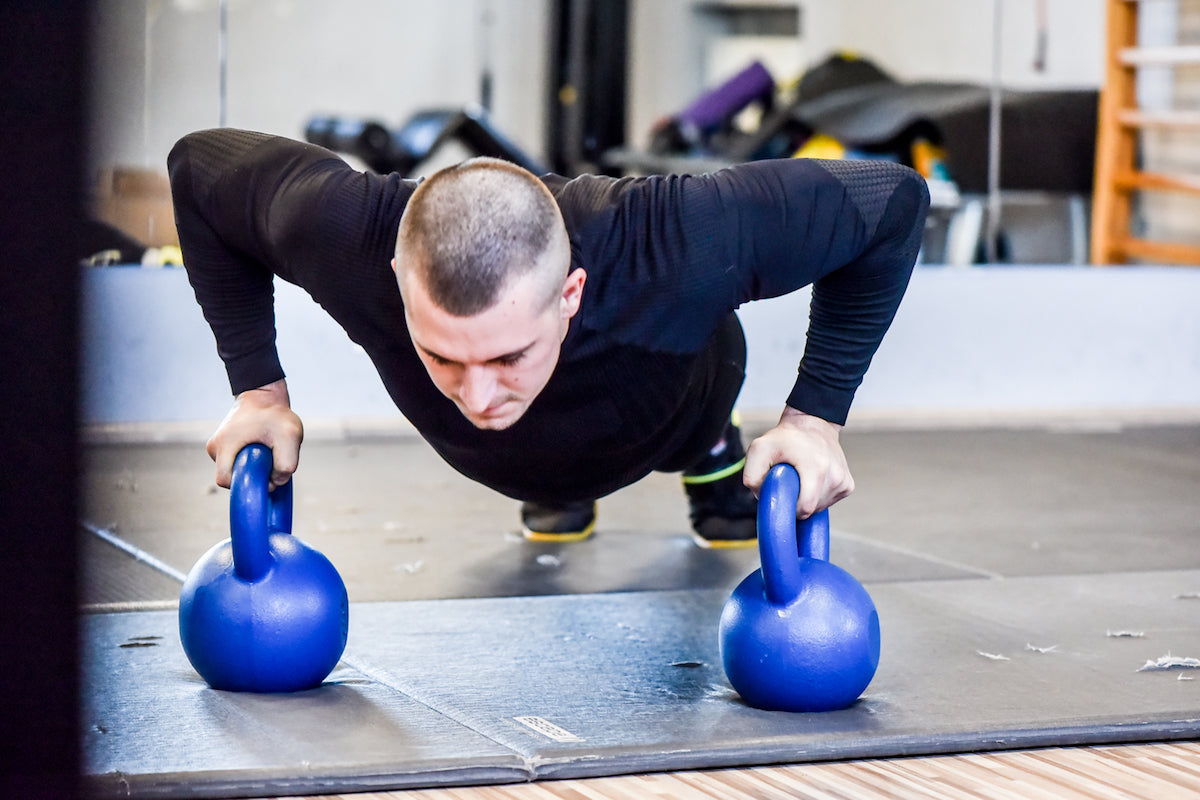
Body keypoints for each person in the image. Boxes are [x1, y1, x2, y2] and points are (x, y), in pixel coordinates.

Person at [168, 128, 928, 548]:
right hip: (529, 461)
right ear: (399, 278)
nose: (479, 395)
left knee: (695, 419)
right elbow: (197, 168)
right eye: (444, 356)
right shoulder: (342, 233)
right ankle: (552, 482)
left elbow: (892, 200)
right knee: (538, 462)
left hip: (673, 396)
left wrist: (815, 422)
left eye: (507, 356)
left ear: (570, 294)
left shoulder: (672, 240)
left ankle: (711, 452)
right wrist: (258, 393)